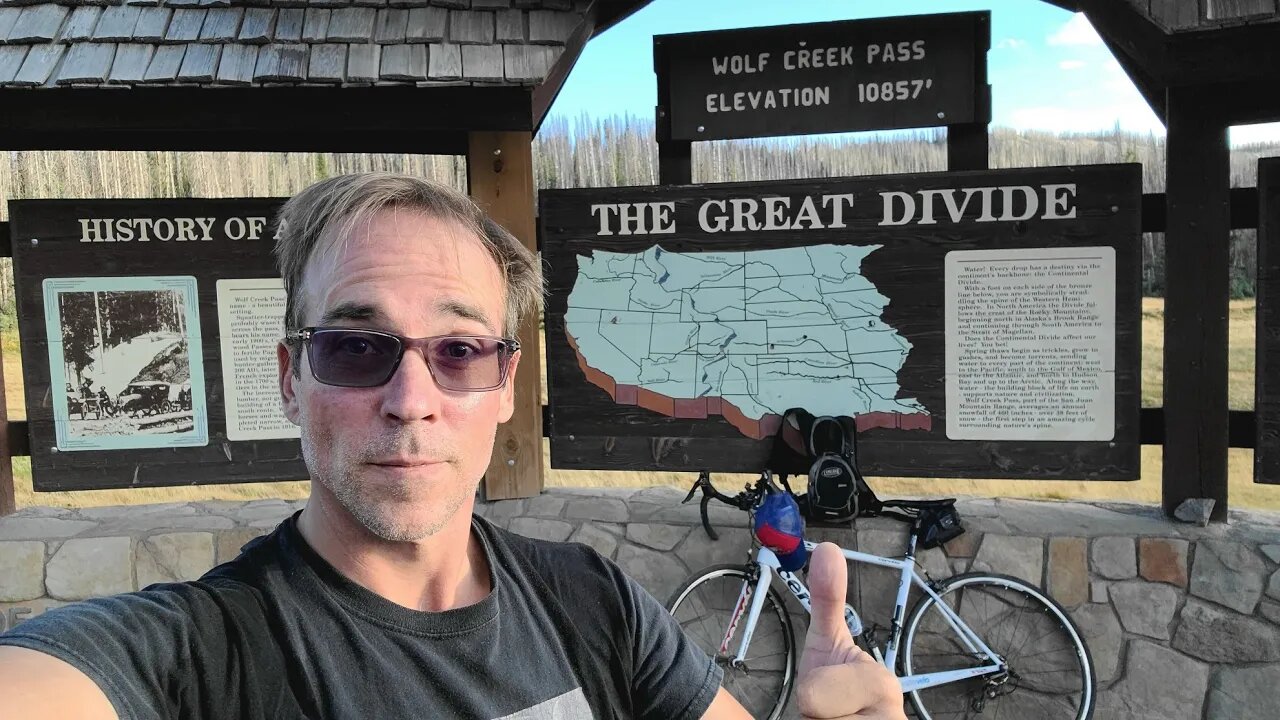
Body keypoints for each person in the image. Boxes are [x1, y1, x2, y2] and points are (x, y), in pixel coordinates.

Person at [0, 173, 904, 719]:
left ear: (504, 385)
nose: (409, 401)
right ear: (290, 377)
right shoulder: (202, 654)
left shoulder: (595, 605)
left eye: (459, 351)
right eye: (357, 346)